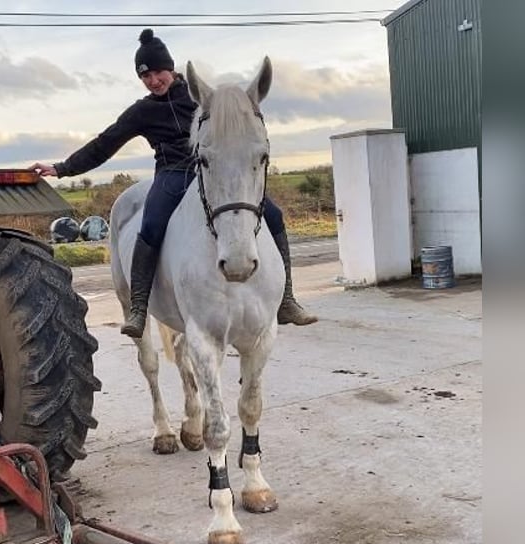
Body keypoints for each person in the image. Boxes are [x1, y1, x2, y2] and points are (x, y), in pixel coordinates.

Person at [30, 29, 317, 339]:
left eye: (158, 72)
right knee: (151, 222)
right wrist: (61, 169)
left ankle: (286, 298)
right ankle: (139, 305)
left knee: (273, 214)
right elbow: (105, 143)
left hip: (210, 172)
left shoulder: (200, 98)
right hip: (171, 174)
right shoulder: (143, 111)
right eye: (146, 76)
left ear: (171, 68)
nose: (154, 80)